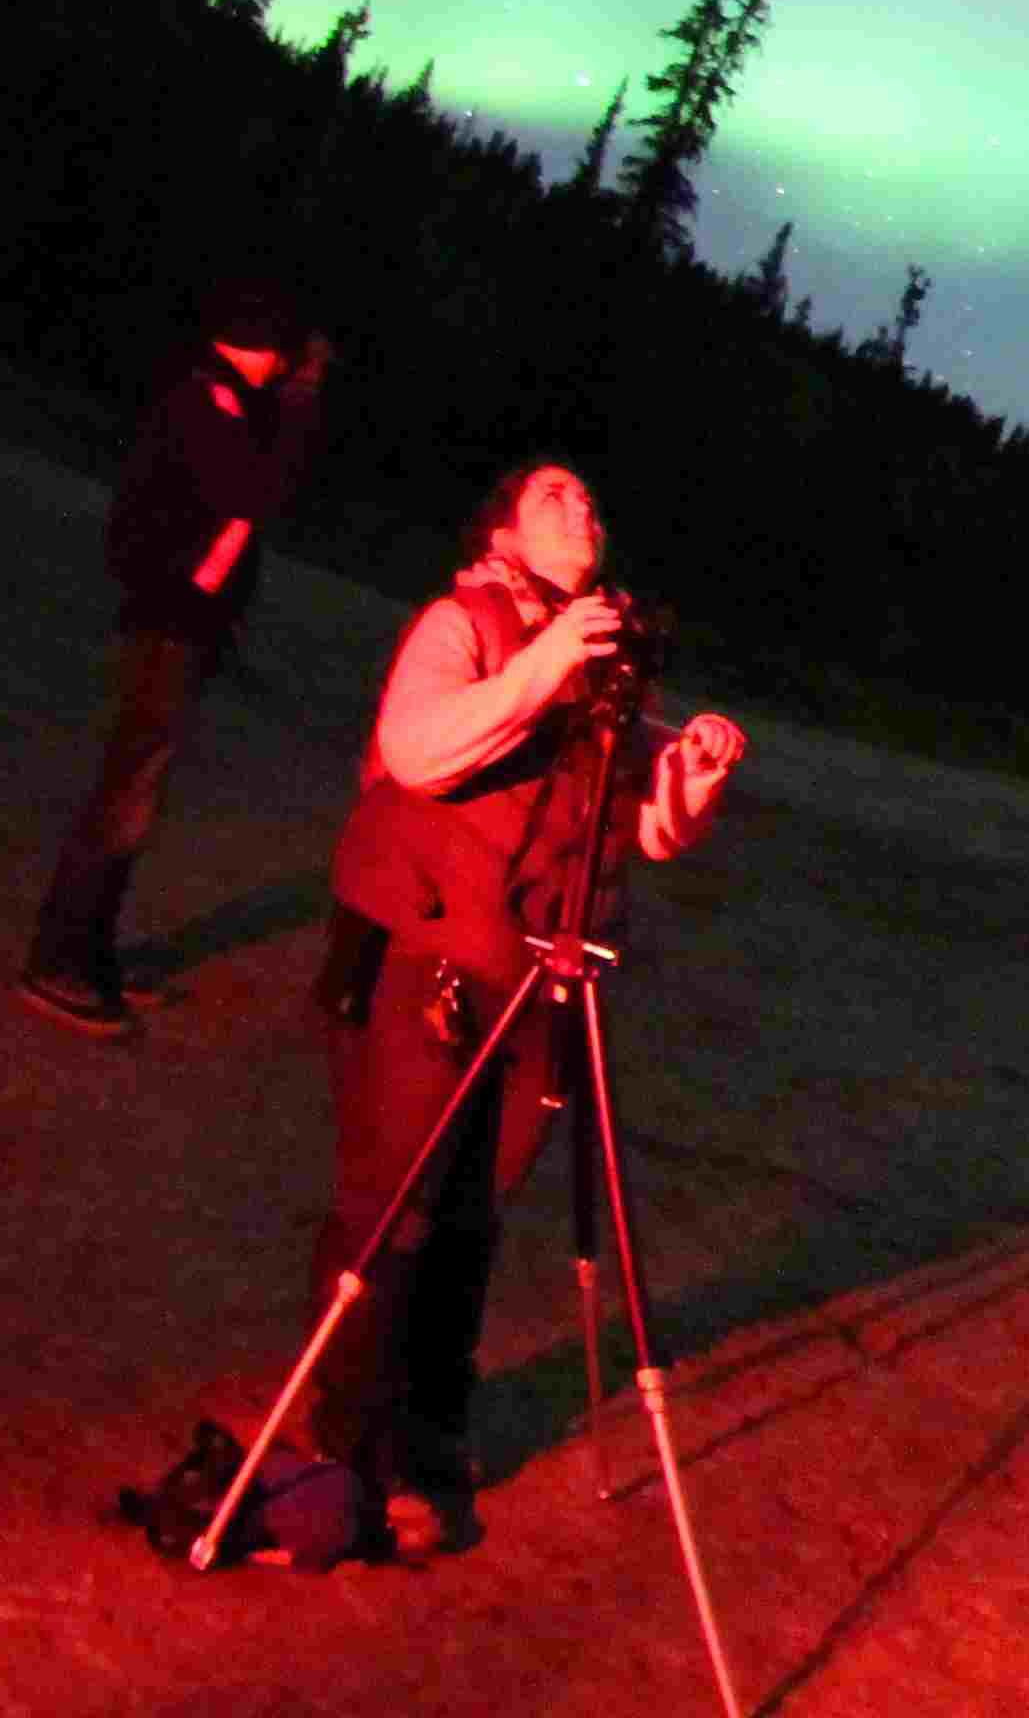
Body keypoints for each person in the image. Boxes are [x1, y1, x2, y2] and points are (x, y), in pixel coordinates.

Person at [271, 460, 742, 1570]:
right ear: (503, 525)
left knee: (476, 1215)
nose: (588, 509)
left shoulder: (592, 656)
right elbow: (416, 751)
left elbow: (644, 833)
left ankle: (431, 1425)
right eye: (559, 496)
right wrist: (545, 663)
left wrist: (691, 775)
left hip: (540, 975)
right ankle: (355, 1446)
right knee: (395, 1206)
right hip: (429, 955)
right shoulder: (464, 622)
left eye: (593, 498)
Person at [18, 274, 333, 1035]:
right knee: (125, 798)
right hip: (164, 626)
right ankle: (59, 962)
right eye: (284, 349)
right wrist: (299, 408)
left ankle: (89, 953)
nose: (290, 362)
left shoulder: (222, 399)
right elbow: (256, 490)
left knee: (134, 795)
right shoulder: (211, 402)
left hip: (176, 626)